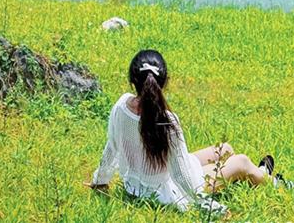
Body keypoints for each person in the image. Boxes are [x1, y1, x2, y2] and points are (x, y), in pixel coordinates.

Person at [88, 49, 274, 209]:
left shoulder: (121, 106)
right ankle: (272, 180)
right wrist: (206, 204)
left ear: (131, 81)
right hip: (166, 192)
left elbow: (112, 147)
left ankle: (248, 177)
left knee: (225, 149)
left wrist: (100, 181)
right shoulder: (166, 120)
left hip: (136, 185)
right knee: (241, 162)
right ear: (165, 82)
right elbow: (180, 175)